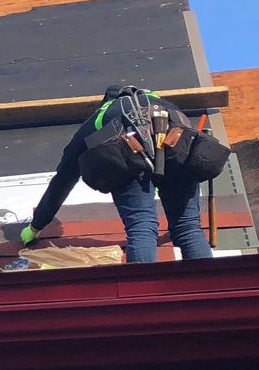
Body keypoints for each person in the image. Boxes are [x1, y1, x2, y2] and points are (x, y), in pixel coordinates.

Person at [20, 85, 215, 263]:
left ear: (108, 101)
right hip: (177, 153)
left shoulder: (101, 115)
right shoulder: (169, 107)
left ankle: (143, 292)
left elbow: (64, 178)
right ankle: (209, 290)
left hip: (130, 158)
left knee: (142, 226)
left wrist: (36, 226)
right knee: (188, 228)